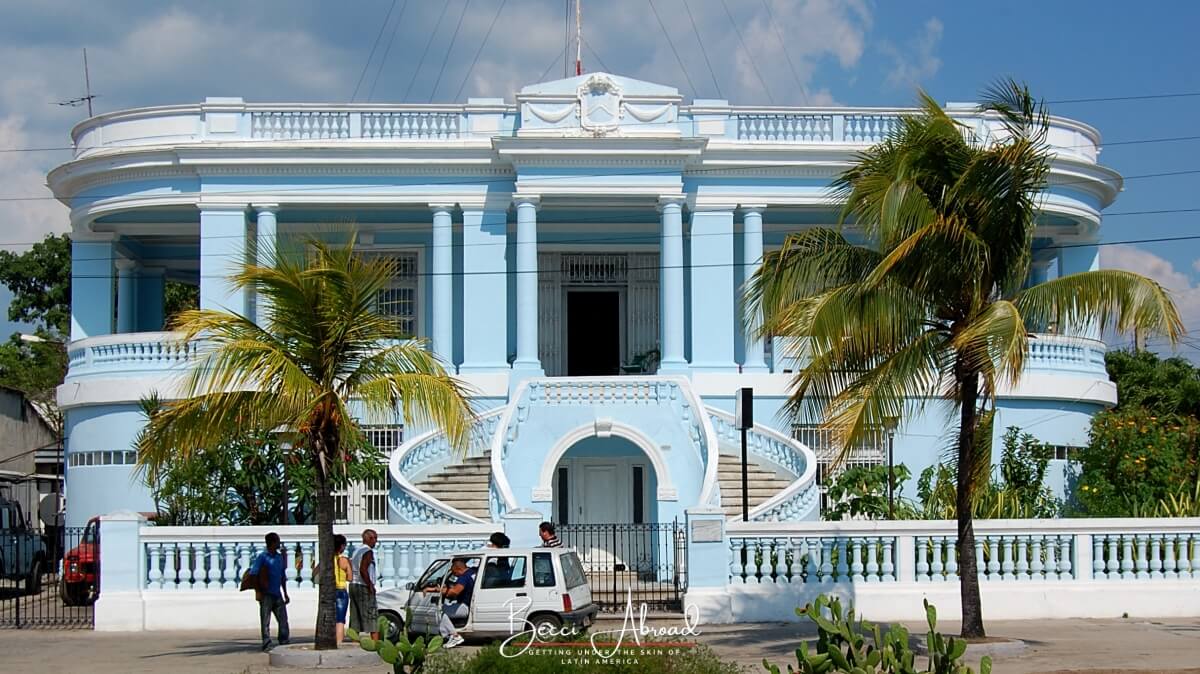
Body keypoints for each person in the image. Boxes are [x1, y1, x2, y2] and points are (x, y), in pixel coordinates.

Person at [250, 532, 290, 651]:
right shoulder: (263, 557)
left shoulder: (279, 558)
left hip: (277, 593)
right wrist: (258, 591)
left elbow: (282, 575)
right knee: (265, 620)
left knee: (283, 620)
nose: (279, 544)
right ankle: (266, 642)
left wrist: (285, 593)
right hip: (266, 593)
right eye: (277, 541)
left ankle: (284, 640)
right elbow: (254, 574)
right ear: (272, 543)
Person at [424, 557, 476, 649]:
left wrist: (435, 589)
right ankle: (449, 635)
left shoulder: (463, 577)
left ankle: (454, 636)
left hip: (465, 607)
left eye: (454, 573)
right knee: (444, 609)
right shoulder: (472, 572)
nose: (455, 576)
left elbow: (454, 592)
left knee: (439, 611)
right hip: (470, 605)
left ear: (459, 569)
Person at [348, 529, 379, 641]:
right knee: (371, 614)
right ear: (369, 539)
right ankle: (375, 641)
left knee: (355, 615)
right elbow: (363, 569)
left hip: (354, 584)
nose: (375, 541)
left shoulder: (357, 551)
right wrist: (370, 585)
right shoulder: (368, 551)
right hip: (363, 585)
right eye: (374, 538)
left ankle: (354, 639)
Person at [332, 535, 353, 643]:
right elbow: (350, 577)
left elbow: (314, 573)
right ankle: (339, 642)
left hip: (330, 591)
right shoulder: (344, 560)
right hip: (341, 590)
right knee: (340, 620)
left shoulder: (328, 559)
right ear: (341, 546)